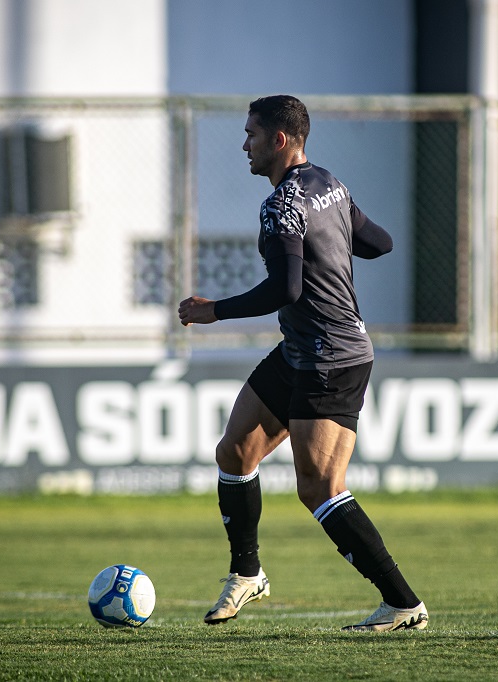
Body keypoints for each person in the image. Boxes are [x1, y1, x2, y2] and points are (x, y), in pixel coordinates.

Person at [178, 95, 427, 632]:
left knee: (319, 487)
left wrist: (212, 311)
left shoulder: (281, 205)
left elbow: (287, 288)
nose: (244, 144)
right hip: (300, 350)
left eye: (250, 134)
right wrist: (330, 241)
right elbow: (379, 244)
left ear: (279, 140)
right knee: (235, 452)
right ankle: (247, 574)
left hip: (330, 355)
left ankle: (403, 604)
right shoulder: (328, 185)